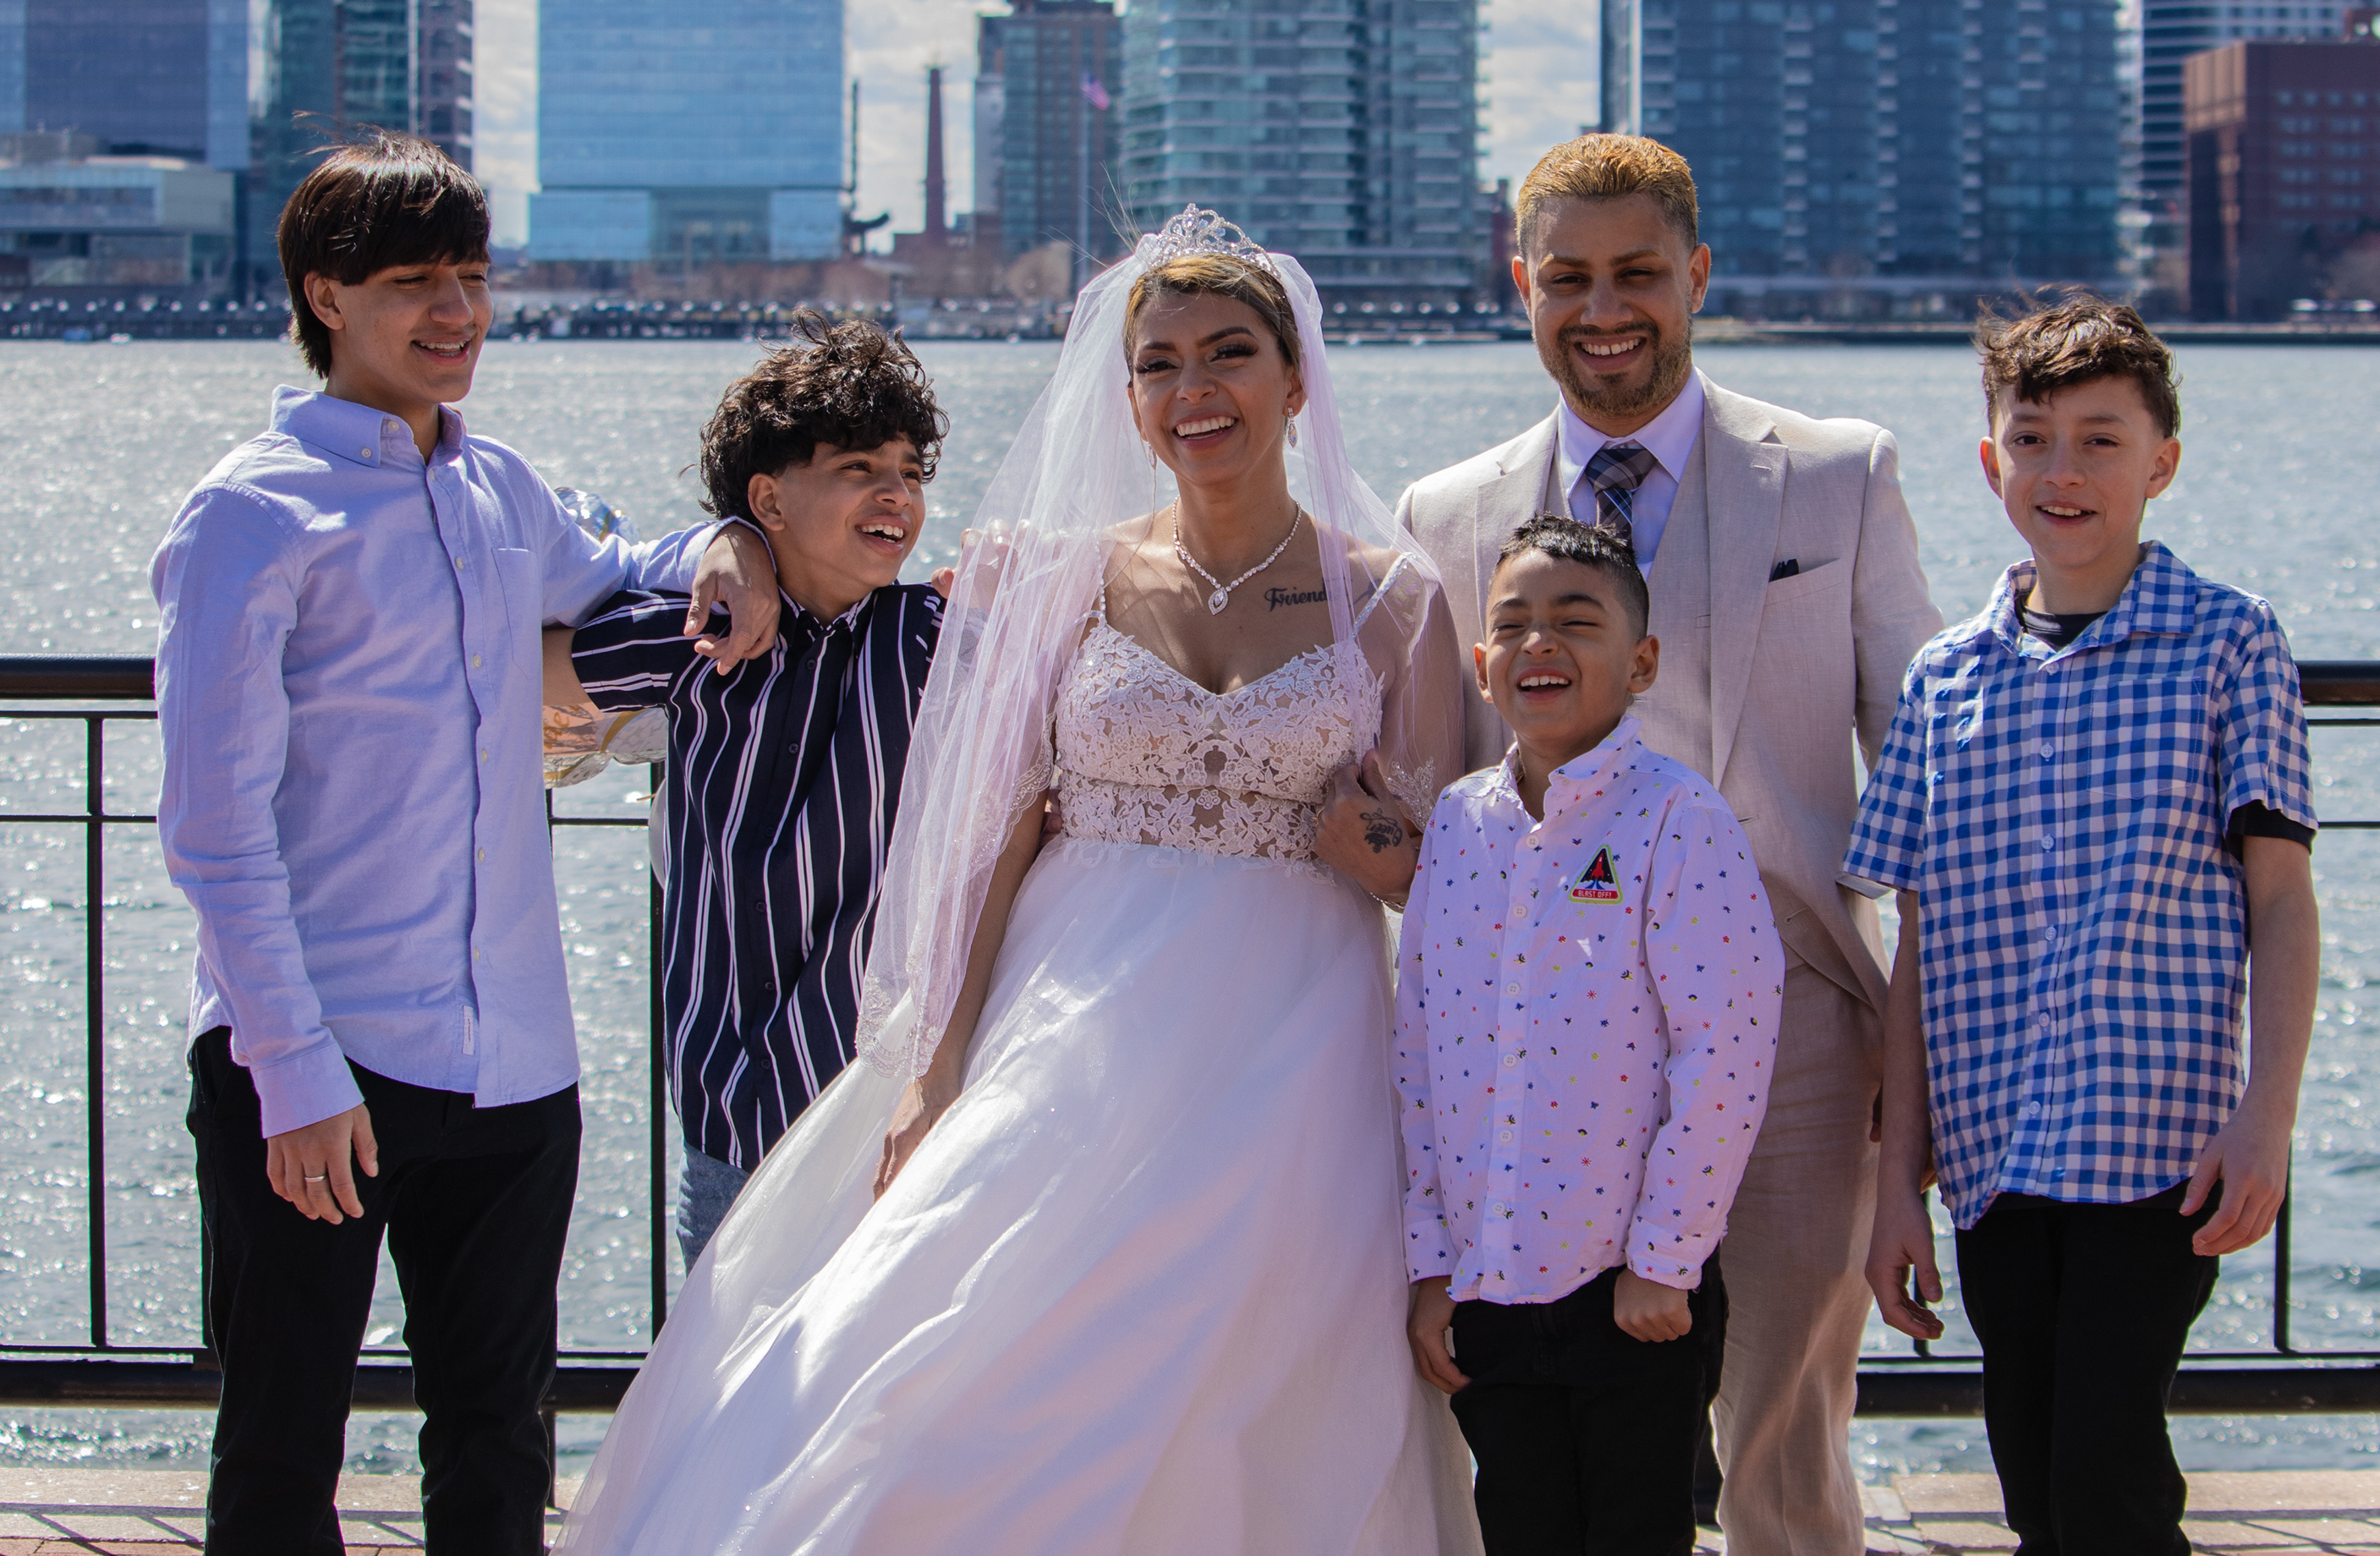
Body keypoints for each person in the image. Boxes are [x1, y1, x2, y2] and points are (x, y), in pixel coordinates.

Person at [557, 208, 1479, 1556]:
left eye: (1229, 353)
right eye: (1158, 364)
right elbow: (993, 833)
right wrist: (935, 1066)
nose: (1194, 388)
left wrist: (1378, 858)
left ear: (1296, 380)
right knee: (947, 1353)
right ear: (1131, 402)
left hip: (1298, 1048)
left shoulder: (1393, 602)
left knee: (1252, 1372)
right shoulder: (1059, 579)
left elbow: (1463, 886)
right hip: (1069, 1016)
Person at [150, 132, 702, 1553]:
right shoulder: (250, 515)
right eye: (414, 283)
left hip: (516, 1064)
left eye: (471, 276)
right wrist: (291, 1070)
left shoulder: (499, 485)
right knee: (281, 1454)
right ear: (326, 295)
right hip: (320, 1060)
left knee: (500, 1441)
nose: (457, 312)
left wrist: (733, 553)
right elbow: (212, 829)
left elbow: (626, 575)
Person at [1398, 134, 1940, 1554]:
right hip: (1537, 1072)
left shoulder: (1838, 477)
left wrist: (1925, 1057)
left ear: (1696, 274)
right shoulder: (1445, 517)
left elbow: (1937, 779)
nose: (1604, 309)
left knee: (1783, 1446)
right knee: (1548, 1465)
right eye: (1567, 277)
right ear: (1521, 283)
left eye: (1637, 272)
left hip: (1798, 1034)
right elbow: (1436, 809)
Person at [1848, 293, 2319, 1556]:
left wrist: (2267, 1115)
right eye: (2035, 439)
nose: (2064, 471)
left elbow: (2281, 901)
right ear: (1991, 461)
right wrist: (1896, 1186)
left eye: (2102, 441)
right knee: (2036, 1482)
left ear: (2161, 463)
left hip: (2157, 1145)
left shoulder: (2229, 644)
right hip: (1994, 1154)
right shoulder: (1945, 679)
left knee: (2108, 1479)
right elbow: (1918, 948)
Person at [1400, 515, 1781, 1556]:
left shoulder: (1679, 819)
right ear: (1481, 663)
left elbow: (1727, 1052)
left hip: (1630, 1296)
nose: (1540, 643)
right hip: (1489, 1289)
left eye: (1576, 620)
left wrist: (1666, 1257)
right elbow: (1419, 1057)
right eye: (1513, 623)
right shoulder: (1457, 825)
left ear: (1641, 662)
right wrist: (1432, 1265)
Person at [546, 315, 947, 1270]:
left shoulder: (939, 638)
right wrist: (717, 546)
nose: (896, 493)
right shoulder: (694, 632)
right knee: (723, 1358)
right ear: (769, 497)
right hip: (733, 1113)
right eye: (857, 467)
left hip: (882, 1117)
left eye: (909, 471)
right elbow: (510, 669)